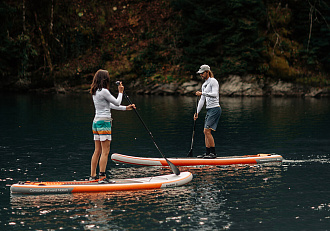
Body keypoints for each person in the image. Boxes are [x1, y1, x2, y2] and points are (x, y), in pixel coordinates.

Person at [89, 69, 135, 183]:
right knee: (105, 151)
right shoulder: (104, 91)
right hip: (104, 123)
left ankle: (93, 176)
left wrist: (126, 108)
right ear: (105, 79)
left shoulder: (95, 91)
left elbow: (109, 105)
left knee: (97, 150)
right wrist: (120, 91)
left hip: (96, 123)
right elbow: (117, 102)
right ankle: (102, 178)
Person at [194, 64, 221, 159]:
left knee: (207, 131)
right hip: (209, 110)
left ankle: (213, 153)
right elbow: (202, 100)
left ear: (207, 72)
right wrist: (197, 112)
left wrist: (202, 93)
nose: (201, 75)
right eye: (200, 73)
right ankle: (207, 153)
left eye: (202, 73)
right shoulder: (204, 84)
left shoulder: (213, 81)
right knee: (205, 132)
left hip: (215, 109)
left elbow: (214, 94)